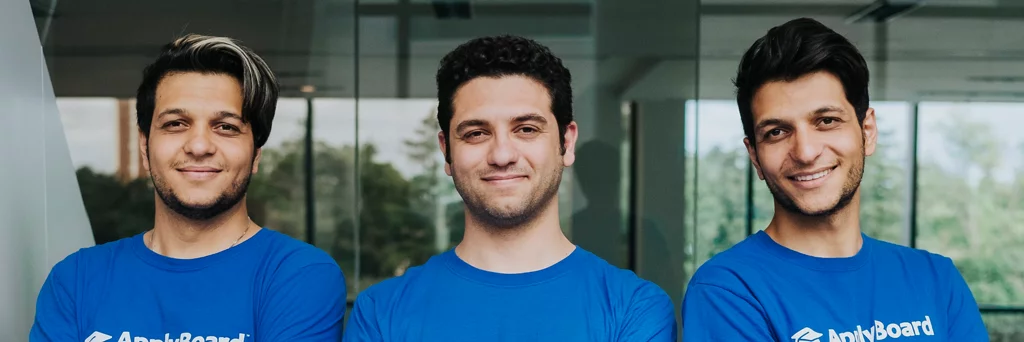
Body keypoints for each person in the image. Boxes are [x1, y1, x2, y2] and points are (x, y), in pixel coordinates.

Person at [342, 34, 676, 341]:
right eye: (476, 133)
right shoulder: (382, 312)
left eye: (527, 129)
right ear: (446, 151)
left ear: (567, 142)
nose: (502, 154)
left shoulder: (634, 308)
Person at [680, 17, 988, 341]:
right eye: (777, 132)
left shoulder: (936, 281)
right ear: (755, 155)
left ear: (866, 132)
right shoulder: (729, 290)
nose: (806, 151)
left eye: (826, 121)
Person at [30, 34, 346, 342]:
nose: (198, 145)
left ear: (255, 155)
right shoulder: (76, 279)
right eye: (176, 124)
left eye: (226, 127)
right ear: (144, 145)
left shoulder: (297, 275)